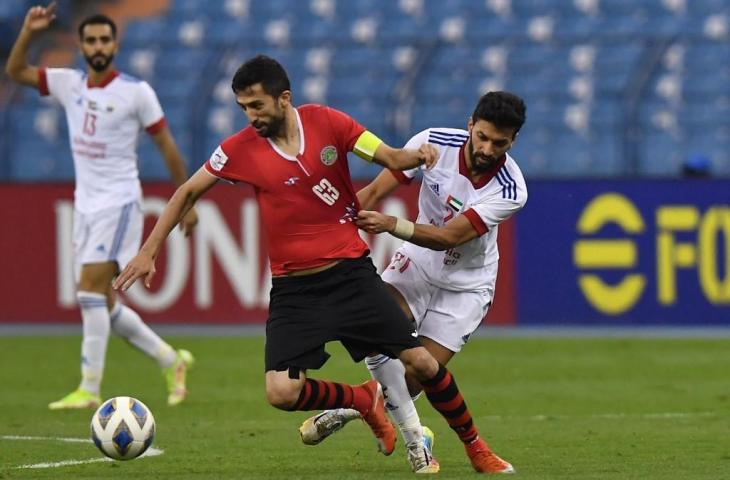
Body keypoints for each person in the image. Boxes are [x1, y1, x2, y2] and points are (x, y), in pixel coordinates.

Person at [113, 55, 513, 474]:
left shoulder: (329, 123)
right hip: (294, 290)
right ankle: (362, 401)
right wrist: (149, 250)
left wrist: (416, 156)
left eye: (257, 106)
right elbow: (187, 192)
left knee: (423, 364)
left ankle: (472, 447)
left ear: (284, 99)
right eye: (243, 108)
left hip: (350, 274)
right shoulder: (238, 150)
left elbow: (389, 157)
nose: (250, 117)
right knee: (281, 392)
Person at [299, 91, 527, 472]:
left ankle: (357, 405)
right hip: (417, 264)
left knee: (418, 375)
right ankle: (452, 446)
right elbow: (373, 193)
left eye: (499, 143)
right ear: (471, 124)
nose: (487, 148)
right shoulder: (432, 142)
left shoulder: (510, 188)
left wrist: (391, 224)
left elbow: (450, 236)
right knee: (378, 325)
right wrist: (333, 235)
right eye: (482, 136)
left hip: (467, 286)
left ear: (513, 141)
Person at [5, 3, 197, 409]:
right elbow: (15, 72)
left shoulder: (135, 92)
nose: (97, 46)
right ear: (80, 44)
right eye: (90, 39)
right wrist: (28, 32)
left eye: (104, 39)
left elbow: (167, 146)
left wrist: (187, 200)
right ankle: (171, 358)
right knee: (103, 303)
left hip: (120, 200)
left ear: (115, 44)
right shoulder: (68, 83)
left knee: (89, 290)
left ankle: (89, 390)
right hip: (86, 206)